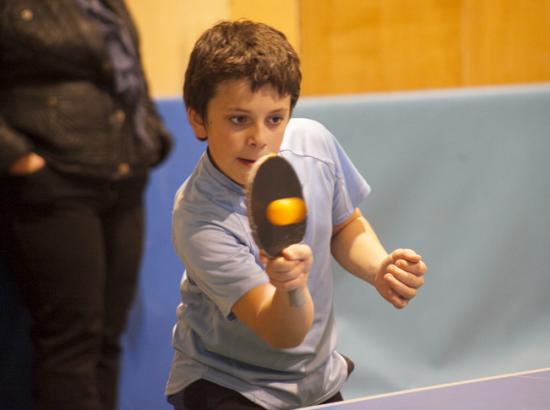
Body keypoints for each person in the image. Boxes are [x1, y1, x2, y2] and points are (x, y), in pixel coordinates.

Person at [165, 20, 427, 410]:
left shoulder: (313, 143)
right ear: (198, 119)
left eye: (275, 118)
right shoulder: (199, 218)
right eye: (239, 119)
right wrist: (290, 287)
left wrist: (377, 267)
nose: (259, 137)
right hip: (228, 383)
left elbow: (344, 224)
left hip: (314, 377)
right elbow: (281, 330)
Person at [0, 1, 173, 409]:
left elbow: (129, 72)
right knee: (71, 340)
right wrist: (20, 158)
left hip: (123, 175)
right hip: (54, 183)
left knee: (107, 338)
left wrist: (152, 135)